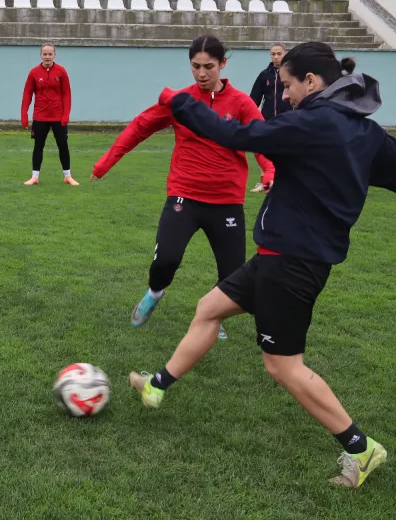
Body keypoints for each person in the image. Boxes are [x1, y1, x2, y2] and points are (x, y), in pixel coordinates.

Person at [130, 42, 393, 488]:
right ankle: (156, 386)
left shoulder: (312, 123)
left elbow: (237, 136)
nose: (284, 95)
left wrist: (180, 103)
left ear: (311, 81)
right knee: (209, 308)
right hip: (283, 256)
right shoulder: (366, 134)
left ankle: (361, 448)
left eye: (287, 85)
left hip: (292, 262)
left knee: (283, 366)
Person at [90, 36, 274, 338]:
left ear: (223, 64)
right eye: (195, 66)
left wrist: (269, 170)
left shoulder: (241, 102)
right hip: (184, 194)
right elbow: (140, 126)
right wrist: (105, 162)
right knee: (166, 260)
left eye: (208, 67)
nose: (201, 73)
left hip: (226, 200)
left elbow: (262, 139)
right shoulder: (181, 101)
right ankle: (154, 293)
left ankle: (213, 315)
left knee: (232, 275)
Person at [21, 44, 78, 186]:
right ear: (41, 55)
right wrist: (24, 115)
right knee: (38, 146)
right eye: (45, 54)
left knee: (63, 145)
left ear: (54, 55)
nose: (47, 57)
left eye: (50, 54)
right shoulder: (34, 72)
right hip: (40, 116)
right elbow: (27, 93)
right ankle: (34, 177)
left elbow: (66, 94)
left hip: (58, 117)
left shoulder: (61, 71)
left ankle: (68, 176)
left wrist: (66, 115)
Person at [249, 42, 288, 192]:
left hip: (287, 119)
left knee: (284, 151)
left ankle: (283, 181)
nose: (276, 57)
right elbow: (254, 98)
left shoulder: (292, 73)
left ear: (285, 54)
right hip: (268, 119)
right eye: (273, 54)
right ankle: (264, 181)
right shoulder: (264, 75)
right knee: (265, 150)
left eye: (279, 54)